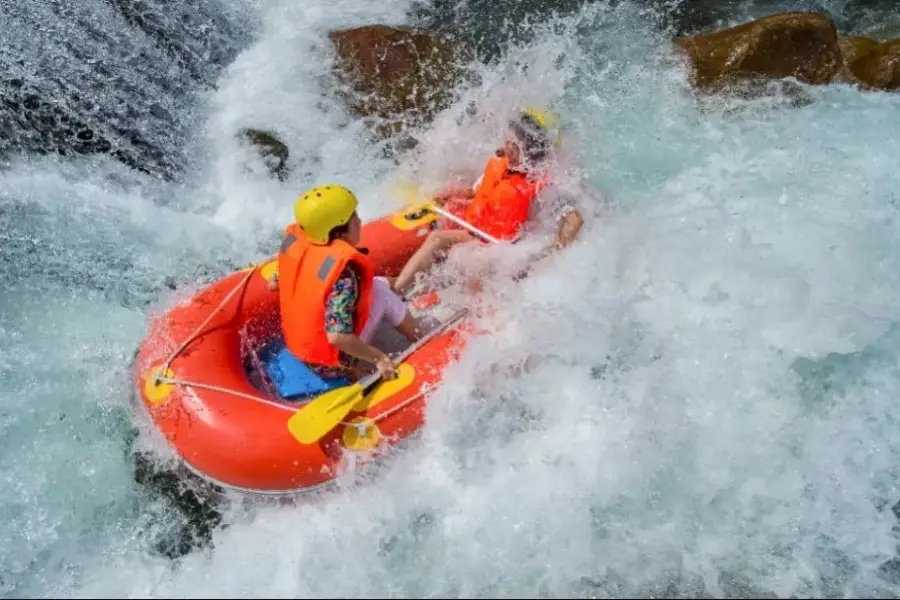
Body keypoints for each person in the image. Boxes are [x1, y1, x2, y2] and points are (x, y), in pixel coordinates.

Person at [390, 108, 557, 296]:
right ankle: (410, 279)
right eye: (508, 139)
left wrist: (550, 249)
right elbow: (474, 191)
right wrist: (448, 194)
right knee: (446, 215)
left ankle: (400, 288)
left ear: (527, 149)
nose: (506, 145)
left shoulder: (536, 183)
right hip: (475, 229)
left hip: (496, 246)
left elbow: (546, 221)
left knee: (441, 241)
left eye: (513, 143)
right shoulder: (497, 164)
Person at [271, 184, 423, 382]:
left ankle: (399, 289)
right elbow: (337, 337)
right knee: (379, 292)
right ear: (339, 231)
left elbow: (273, 284)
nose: (360, 221)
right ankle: (422, 337)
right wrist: (379, 358)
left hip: (299, 347)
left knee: (373, 285)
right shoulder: (344, 275)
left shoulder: (297, 243)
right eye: (355, 218)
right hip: (330, 364)